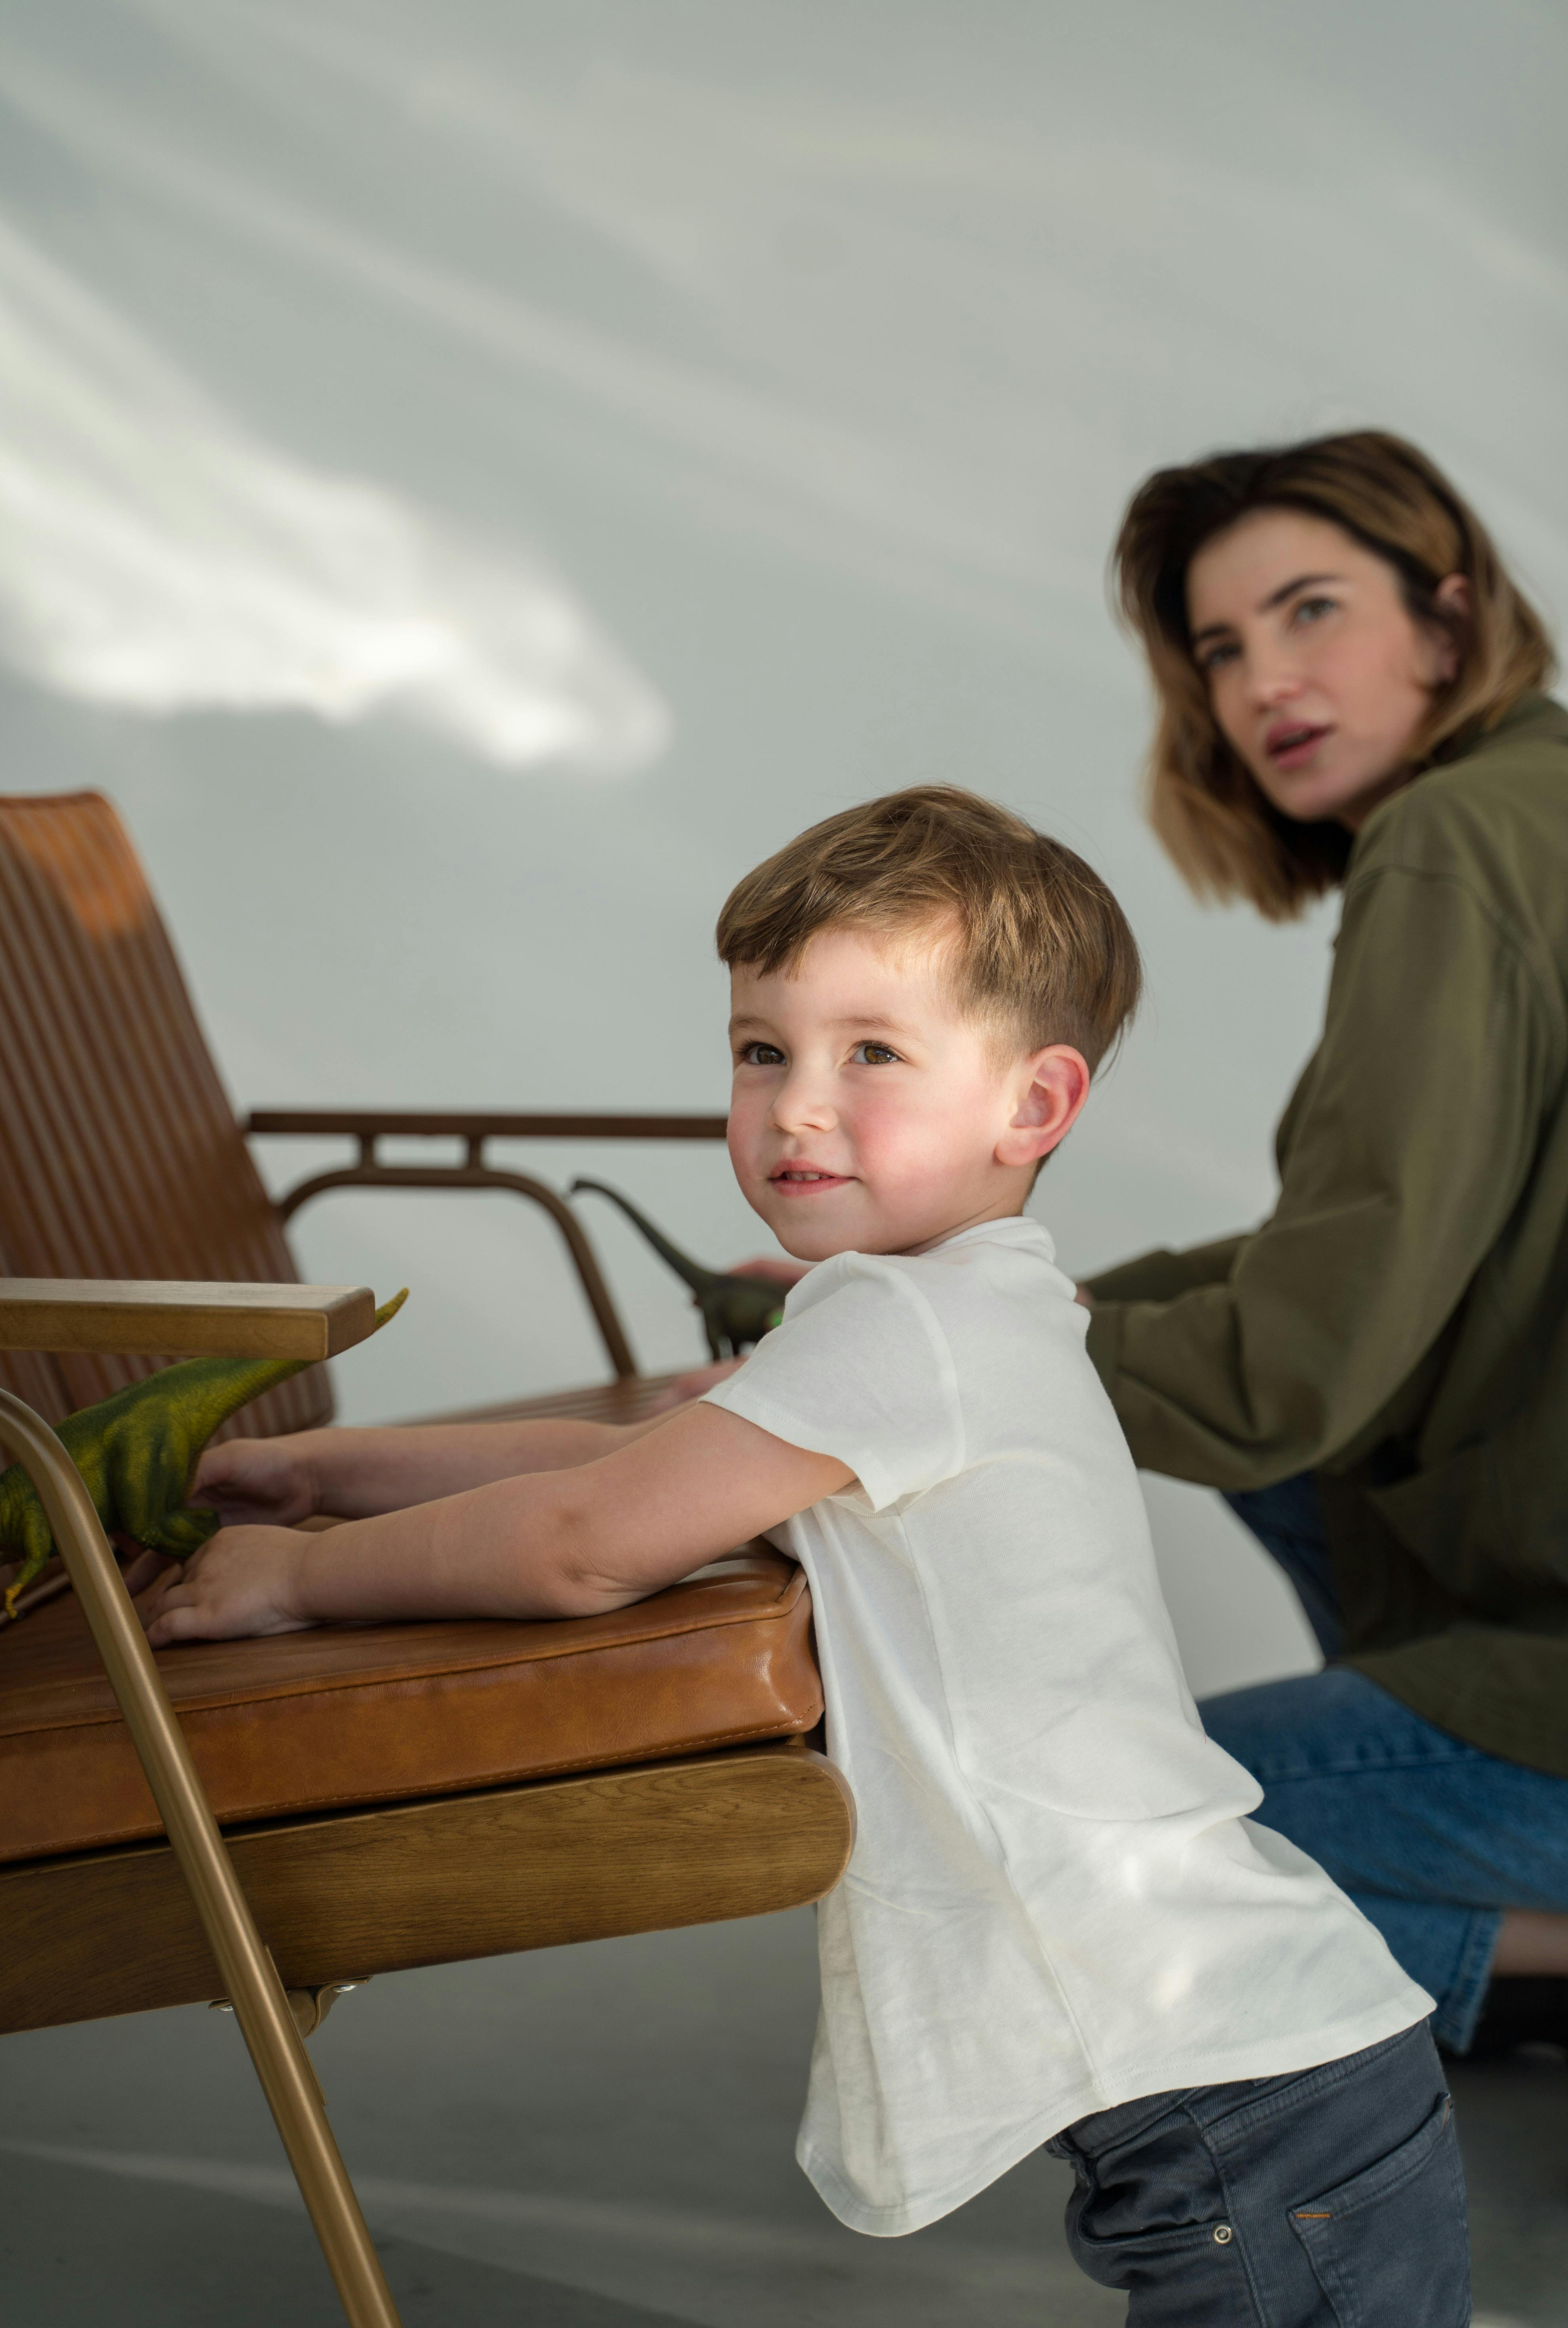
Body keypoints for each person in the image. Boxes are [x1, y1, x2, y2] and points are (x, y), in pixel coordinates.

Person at [150, 787, 1468, 2323]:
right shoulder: (953, 1307)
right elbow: (639, 1470)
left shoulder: (917, 1326)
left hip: (1242, 2095)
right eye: (762, 1050)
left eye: (872, 1055)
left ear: (1031, 1108)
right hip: (1266, 2076)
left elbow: (585, 1542)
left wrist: (298, 1577)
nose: (797, 1107)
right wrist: (325, 1471)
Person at [1078, 431, 1568, 2093]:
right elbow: (1382, 1246)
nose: (1260, 683)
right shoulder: (1539, 803)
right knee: (1292, 1457)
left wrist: (971, 1353)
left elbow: (1298, 1361)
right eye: (1222, 649)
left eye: (1308, 613)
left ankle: (1530, 1959)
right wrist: (1025, 1301)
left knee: (1101, 1827)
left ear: (1446, 623)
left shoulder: (1452, 846)